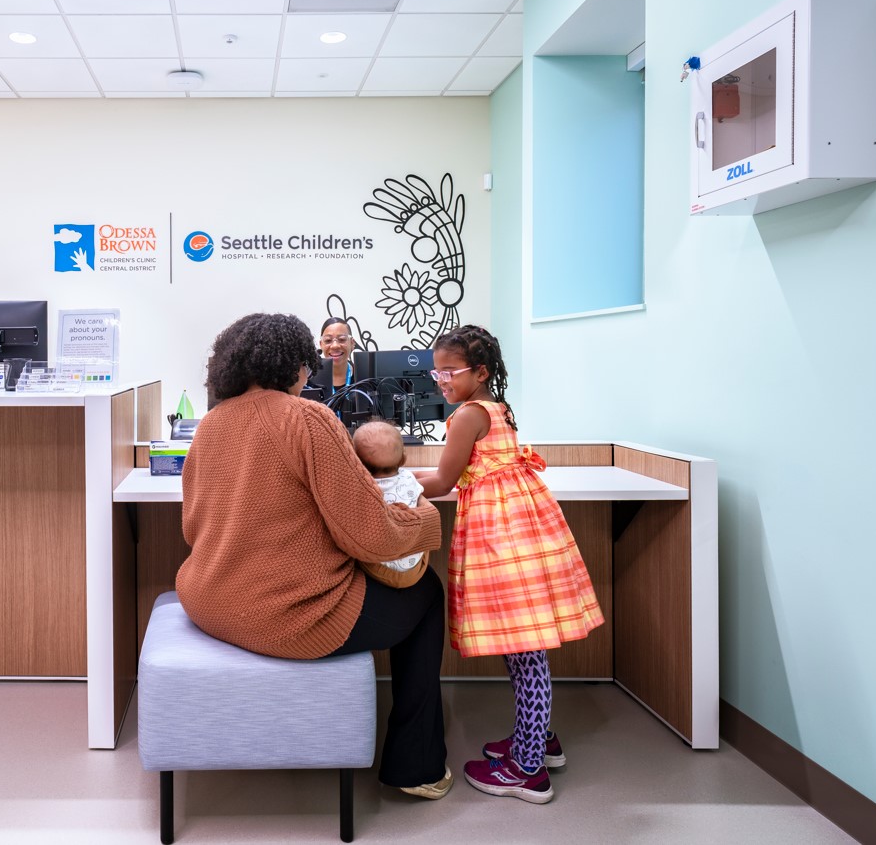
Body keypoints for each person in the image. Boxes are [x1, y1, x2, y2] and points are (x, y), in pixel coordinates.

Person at [177, 312, 453, 799]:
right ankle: (417, 767)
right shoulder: (307, 417)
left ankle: (415, 759)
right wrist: (426, 521)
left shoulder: (211, 424)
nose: (310, 375)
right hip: (290, 618)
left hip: (210, 603)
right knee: (428, 592)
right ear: (296, 367)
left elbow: (191, 526)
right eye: (308, 365)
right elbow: (372, 537)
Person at [414, 325, 604, 805]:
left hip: (501, 537)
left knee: (525, 651)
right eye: (436, 371)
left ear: (478, 373)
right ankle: (537, 740)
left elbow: (441, 480)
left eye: (449, 372)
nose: (440, 380)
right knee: (526, 645)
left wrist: (386, 484)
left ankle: (527, 769)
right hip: (522, 529)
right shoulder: (496, 407)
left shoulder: (466, 415)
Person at [350, 420, 428, 589]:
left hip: (378, 569)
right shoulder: (408, 478)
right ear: (404, 458)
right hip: (413, 568)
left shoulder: (359, 486)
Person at [317, 317, 357, 392]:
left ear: (352, 343)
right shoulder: (309, 381)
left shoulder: (364, 378)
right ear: (321, 344)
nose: (335, 346)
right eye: (328, 340)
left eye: (342, 339)